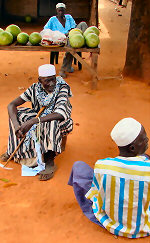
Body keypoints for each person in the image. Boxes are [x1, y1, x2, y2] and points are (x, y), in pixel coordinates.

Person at [68, 118, 150, 238]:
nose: (147, 140)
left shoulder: (102, 165)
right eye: (144, 139)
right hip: (144, 228)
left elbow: (96, 193)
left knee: (79, 167)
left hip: (110, 224)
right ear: (132, 148)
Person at [0, 64, 73, 181]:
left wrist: (33, 121)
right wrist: (17, 126)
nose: (51, 83)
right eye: (47, 80)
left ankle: (49, 161)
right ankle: (13, 150)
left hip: (59, 121)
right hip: (38, 119)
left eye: (53, 79)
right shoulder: (35, 88)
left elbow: (60, 114)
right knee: (18, 113)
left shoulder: (62, 88)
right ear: (40, 80)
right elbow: (11, 105)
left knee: (51, 122)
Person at [44, 2, 88, 78]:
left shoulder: (69, 17)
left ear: (65, 11)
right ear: (56, 11)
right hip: (60, 39)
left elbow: (74, 26)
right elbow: (46, 29)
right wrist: (56, 34)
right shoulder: (53, 19)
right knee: (70, 45)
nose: (61, 12)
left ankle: (85, 42)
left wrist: (70, 32)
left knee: (83, 24)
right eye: (59, 11)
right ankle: (63, 69)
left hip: (71, 35)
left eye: (62, 10)